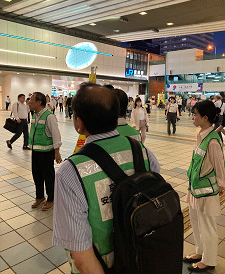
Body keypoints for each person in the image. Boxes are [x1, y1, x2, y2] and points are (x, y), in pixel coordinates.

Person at [53, 83, 160, 274]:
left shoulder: (69, 172)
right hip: (143, 257)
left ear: (79, 123)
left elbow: (81, 257)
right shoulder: (142, 151)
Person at [183, 100, 225, 272]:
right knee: (196, 222)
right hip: (195, 190)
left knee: (207, 226)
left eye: (195, 115)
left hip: (207, 192)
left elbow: (219, 166)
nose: (192, 117)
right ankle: (200, 252)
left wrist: (222, 185)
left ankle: (208, 260)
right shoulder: (201, 135)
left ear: (205, 117)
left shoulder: (213, 141)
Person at [29, 92, 62, 211]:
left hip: (46, 152)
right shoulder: (35, 115)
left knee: (48, 176)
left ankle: (51, 199)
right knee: (36, 175)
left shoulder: (49, 116)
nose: (29, 102)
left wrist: (57, 152)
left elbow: (56, 135)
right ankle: (40, 197)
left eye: (31, 100)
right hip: (35, 151)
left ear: (39, 102)